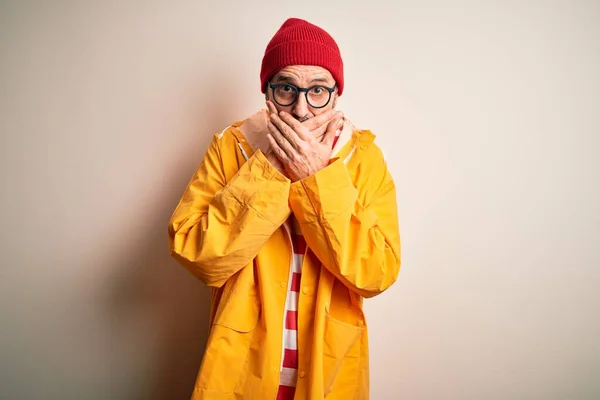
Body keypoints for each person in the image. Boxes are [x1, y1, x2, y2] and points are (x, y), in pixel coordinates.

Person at [168, 17, 401, 400]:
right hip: (240, 374)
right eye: (286, 89)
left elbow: (376, 272)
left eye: (318, 91)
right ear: (267, 92)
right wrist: (272, 167)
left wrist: (317, 178)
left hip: (330, 374)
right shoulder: (232, 147)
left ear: (336, 94)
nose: (302, 109)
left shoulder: (364, 159)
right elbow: (198, 256)